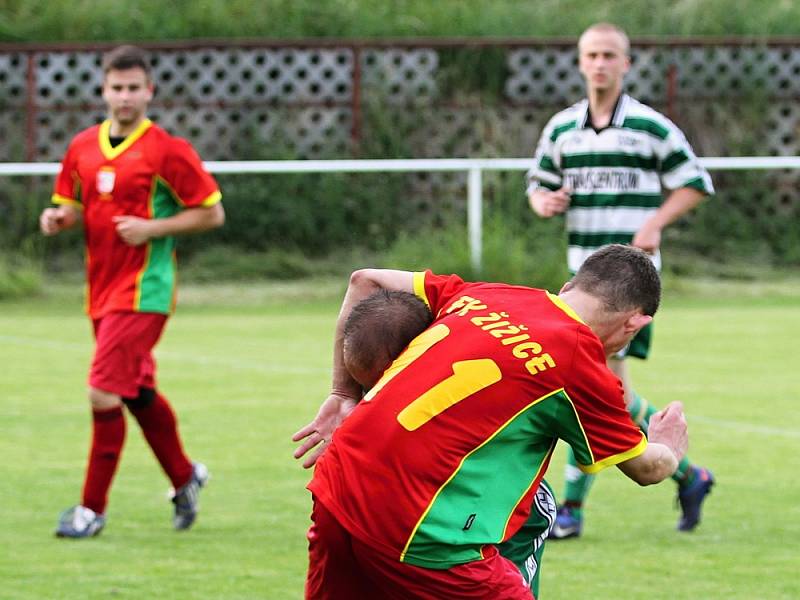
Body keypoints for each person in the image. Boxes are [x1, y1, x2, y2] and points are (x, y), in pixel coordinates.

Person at [294, 244, 689, 599]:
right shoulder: (581, 364)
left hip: (338, 484)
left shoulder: (489, 293)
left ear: (569, 287)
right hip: (419, 528)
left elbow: (365, 280)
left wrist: (343, 394)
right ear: (636, 325)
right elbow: (645, 468)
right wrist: (668, 449)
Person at [526, 22, 714, 539]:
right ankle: (688, 474)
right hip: (580, 284)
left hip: (630, 285)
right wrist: (544, 202)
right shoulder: (563, 129)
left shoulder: (651, 127)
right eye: (592, 54)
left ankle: (570, 509)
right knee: (612, 394)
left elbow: (696, 182)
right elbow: (538, 186)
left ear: (626, 63)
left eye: (610, 54)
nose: (600, 63)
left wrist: (654, 222)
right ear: (581, 62)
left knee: (589, 385)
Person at [39, 45, 224, 538]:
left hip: (145, 292)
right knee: (136, 391)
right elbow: (71, 205)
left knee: (102, 392)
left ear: (149, 91)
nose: (124, 97)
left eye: (133, 88)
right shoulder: (82, 146)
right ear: (104, 90)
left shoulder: (167, 150)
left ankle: (90, 511)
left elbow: (211, 212)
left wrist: (152, 228)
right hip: (99, 291)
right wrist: (58, 218)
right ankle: (185, 478)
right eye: (116, 88)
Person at [339, 289, 556, 597]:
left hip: (502, 511)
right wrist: (342, 394)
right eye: (369, 390)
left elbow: (362, 278)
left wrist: (341, 394)